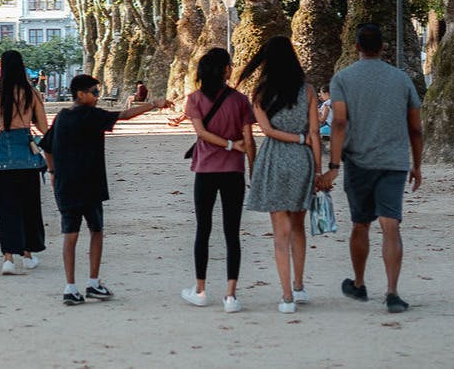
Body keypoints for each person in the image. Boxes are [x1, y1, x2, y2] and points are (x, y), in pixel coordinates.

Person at [316, 23, 423, 314]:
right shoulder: (401, 79)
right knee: (391, 225)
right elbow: (415, 127)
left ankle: (360, 283)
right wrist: (417, 165)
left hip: (359, 162)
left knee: (361, 224)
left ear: (356, 47)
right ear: (383, 47)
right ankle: (392, 292)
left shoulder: (343, 78)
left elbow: (338, 122)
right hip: (394, 162)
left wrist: (334, 165)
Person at [42, 74, 170, 305]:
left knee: (70, 235)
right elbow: (124, 115)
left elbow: (47, 147)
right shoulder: (92, 115)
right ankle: (92, 282)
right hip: (90, 184)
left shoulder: (61, 117)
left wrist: (52, 173)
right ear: (81, 94)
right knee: (96, 230)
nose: (97, 96)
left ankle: (70, 286)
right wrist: (153, 104)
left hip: (66, 184)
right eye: (94, 92)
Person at [238, 36, 321, 313]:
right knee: (298, 227)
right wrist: (319, 169)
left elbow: (268, 132)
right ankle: (299, 286)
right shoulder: (308, 90)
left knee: (280, 233)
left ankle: (285, 296)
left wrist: (294, 140)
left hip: (274, 158)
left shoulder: (260, 93)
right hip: (302, 161)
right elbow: (313, 133)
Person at [179, 48, 256, 313]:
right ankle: (231, 295)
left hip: (206, 170)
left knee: (203, 229)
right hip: (233, 171)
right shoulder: (240, 101)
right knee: (232, 232)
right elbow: (249, 140)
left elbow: (201, 132)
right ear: (225, 70)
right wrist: (248, 164)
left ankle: (200, 289)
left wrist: (229, 145)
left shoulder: (195, 99)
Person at [0, 50, 48, 275]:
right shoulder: (32, 92)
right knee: (30, 206)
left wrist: (1, 118)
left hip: (3, 156)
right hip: (27, 156)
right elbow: (44, 127)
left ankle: (8, 257)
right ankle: (28, 254)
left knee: (5, 208)